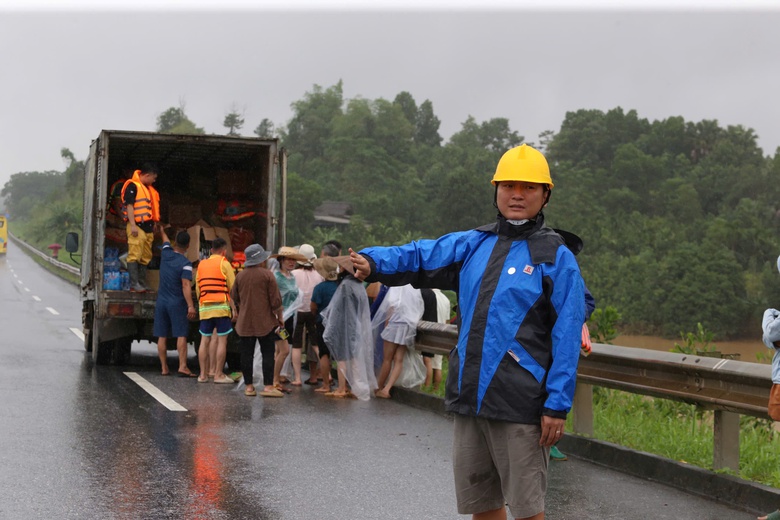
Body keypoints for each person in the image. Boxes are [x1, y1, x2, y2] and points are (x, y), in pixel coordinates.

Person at [350, 143, 585, 520]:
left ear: (546, 195)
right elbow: (422, 254)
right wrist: (374, 260)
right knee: (482, 506)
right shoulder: (474, 243)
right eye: (508, 186)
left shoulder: (555, 256)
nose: (517, 195)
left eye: (528, 187)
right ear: (496, 190)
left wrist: (557, 404)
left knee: (527, 510)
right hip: (471, 394)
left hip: (521, 402)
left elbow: (569, 331)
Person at [231, 244, 285, 398]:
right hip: (266, 322)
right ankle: (268, 386)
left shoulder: (240, 276)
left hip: (244, 323)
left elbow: (234, 296)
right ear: (261, 259)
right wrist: (280, 318)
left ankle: (249, 387)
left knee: (246, 355)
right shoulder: (268, 275)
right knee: (268, 353)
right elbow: (275, 302)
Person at [320, 256, 377, 400]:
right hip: (355, 325)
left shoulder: (345, 285)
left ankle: (341, 388)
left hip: (343, 324)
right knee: (354, 357)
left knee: (342, 357)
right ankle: (357, 386)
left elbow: (337, 308)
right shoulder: (359, 284)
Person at [154, 226, 197, 376]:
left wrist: (161, 230)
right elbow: (186, 284)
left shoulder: (166, 253)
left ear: (175, 243)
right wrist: (190, 306)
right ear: (188, 246)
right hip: (177, 303)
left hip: (161, 301)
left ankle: (164, 367)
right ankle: (182, 366)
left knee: (162, 335)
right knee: (181, 334)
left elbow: (165, 240)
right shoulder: (185, 263)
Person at [372, 284, 425, 399]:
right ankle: (387, 388)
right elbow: (419, 306)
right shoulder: (416, 288)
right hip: (408, 326)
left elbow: (391, 305)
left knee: (387, 359)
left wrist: (387, 324)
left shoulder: (397, 285)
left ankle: (379, 387)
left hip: (395, 324)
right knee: (399, 359)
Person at [195, 237, 237, 384]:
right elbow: (233, 288)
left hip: (205, 308)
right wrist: (234, 308)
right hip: (221, 308)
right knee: (221, 341)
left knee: (204, 340)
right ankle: (218, 374)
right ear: (224, 251)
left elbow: (198, 288)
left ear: (211, 250)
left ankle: (202, 375)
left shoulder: (201, 264)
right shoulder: (224, 264)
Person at [270, 246, 307, 391]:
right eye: (288, 259)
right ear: (281, 260)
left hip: (289, 318)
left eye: (294, 260)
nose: (291, 262)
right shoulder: (276, 277)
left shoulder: (292, 277)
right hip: (279, 319)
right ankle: (274, 380)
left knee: (281, 350)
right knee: (284, 350)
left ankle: (276, 377)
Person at [121, 163, 161, 292]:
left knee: (145, 256)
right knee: (134, 255)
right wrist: (132, 225)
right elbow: (130, 206)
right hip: (137, 226)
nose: (154, 181)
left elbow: (150, 208)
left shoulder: (147, 189)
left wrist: (154, 223)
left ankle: (142, 283)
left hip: (148, 227)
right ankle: (135, 284)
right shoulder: (132, 186)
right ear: (147, 175)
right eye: (153, 178)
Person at [291, 243, 324, 385]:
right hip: (313, 311)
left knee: (297, 345)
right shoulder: (319, 275)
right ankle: (326, 373)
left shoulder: (293, 274)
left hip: (297, 312)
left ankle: (297, 378)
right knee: (316, 344)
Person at [311, 257, 341, 393]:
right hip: (339, 323)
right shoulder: (341, 286)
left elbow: (313, 307)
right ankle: (343, 386)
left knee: (324, 354)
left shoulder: (319, 288)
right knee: (341, 356)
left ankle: (326, 385)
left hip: (322, 324)